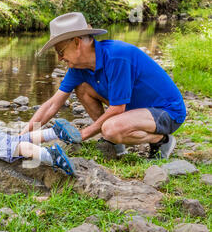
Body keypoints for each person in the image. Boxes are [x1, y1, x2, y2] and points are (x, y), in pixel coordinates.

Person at [20, 12, 186, 159]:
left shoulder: (117, 56)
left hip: (167, 112)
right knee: (82, 88)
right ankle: (116, 144)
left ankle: (161, 140)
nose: (60, 58)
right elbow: (52, 105)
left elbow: (117, 109)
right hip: (134, 111)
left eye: (60, 51)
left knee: (110, 129)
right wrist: (23, 136)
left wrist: (83, 134)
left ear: (77, 42)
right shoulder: (78, 68)